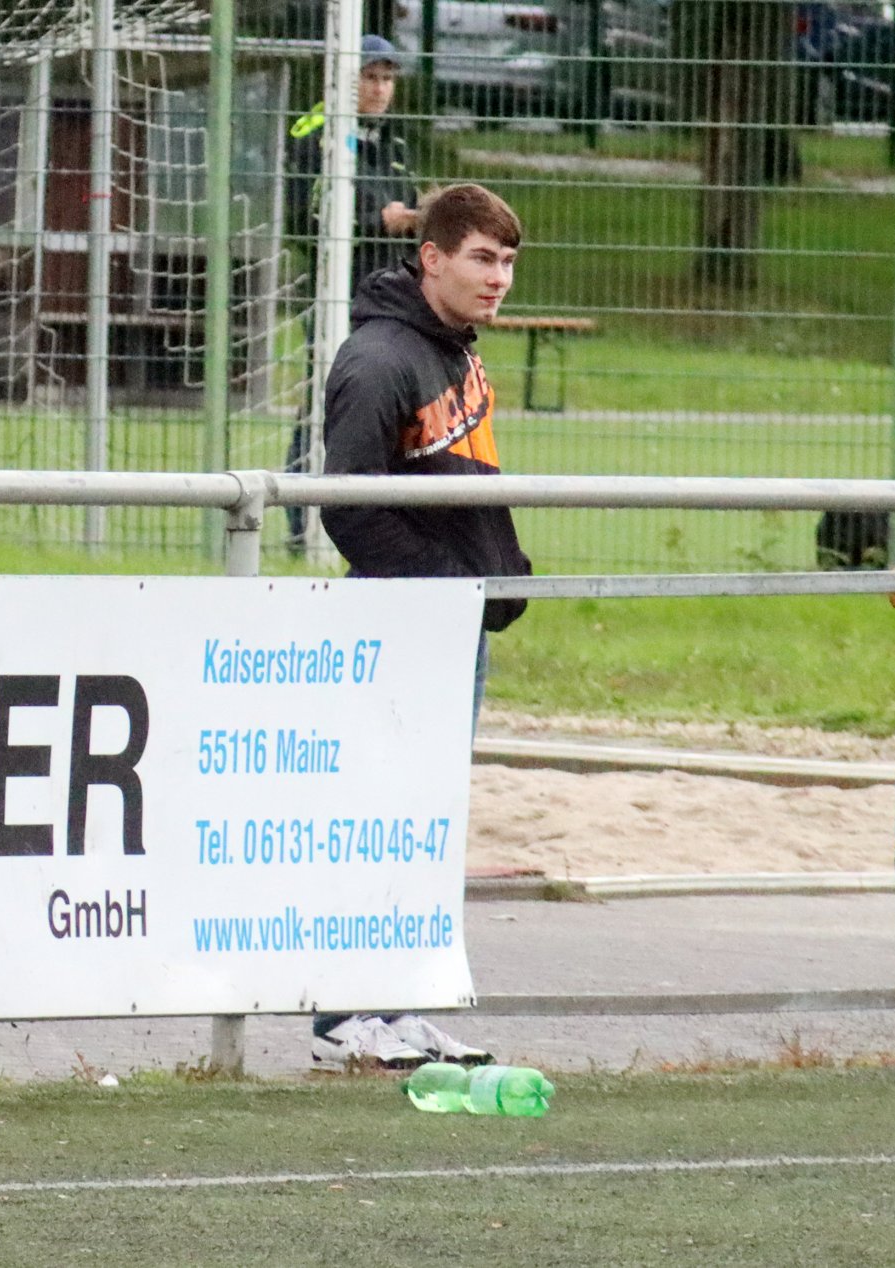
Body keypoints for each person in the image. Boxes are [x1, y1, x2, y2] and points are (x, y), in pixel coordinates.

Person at [308, 182, 533, 1069]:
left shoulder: (456, 353)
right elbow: (348, 508)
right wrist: (453, 582)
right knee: (381, 814)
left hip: (451, 622)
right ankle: (343, 1017)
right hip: (402, 623)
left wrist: (501, 576)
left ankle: (396, 1006)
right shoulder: (380, 358)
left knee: (424, 822)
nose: (499, 277)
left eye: (509, 261)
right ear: (431, 257)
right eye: (482, 257)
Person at [284, 33, 423, 550]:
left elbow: (406, 206)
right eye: (370, 76)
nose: (381, 89)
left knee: (393, 410)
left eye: (388, 79)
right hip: (337, 293)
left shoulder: (393, 142)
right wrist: (374, 220)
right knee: (327, 400)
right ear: (344, 79)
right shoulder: (316, 132)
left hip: (390, 299)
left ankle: (383, 525)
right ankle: (302, 524)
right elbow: (302, 216)